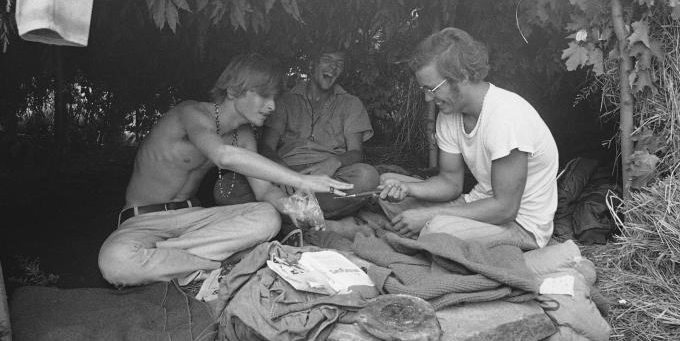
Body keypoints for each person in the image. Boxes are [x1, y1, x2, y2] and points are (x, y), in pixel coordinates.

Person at [98, 53, 352, 286]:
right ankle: (219, 262)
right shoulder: (191, 113)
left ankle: (173, 259)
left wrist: (292, 206)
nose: (272, 106)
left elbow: (264, 192)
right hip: (142, 221)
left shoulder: (244, 136)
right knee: (116, 263)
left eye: (275, 98)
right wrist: (300, 179)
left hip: (194, 220)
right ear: (233, 90)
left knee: (268, 216)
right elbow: (223, 156)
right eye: (264, 96)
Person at [378, 28, 558, 249]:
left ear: (462, 75)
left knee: (435, 230)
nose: (427, 98)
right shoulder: (449, 114)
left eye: (432, 89)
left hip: (520, 226)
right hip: (475, 204)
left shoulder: (506, 118)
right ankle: (429, 234)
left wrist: (428, 216)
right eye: (423, 90)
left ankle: (429, 236)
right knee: (386, 187)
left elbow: (505, 209)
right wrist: (407, 189)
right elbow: (450, 183)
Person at [259, 46, 380, 219]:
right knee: (227, 188)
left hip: (329, 177)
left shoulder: (351, 104)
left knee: (367, 177)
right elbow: (266, 147)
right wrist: (282, 171)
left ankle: (289, 215)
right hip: (287, 175)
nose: (333, 67)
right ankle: (310, 215)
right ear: (311, 65)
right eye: (327, 60)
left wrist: (335, 162)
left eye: (339, 63)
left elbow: (357, 153)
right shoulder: (285, 100)